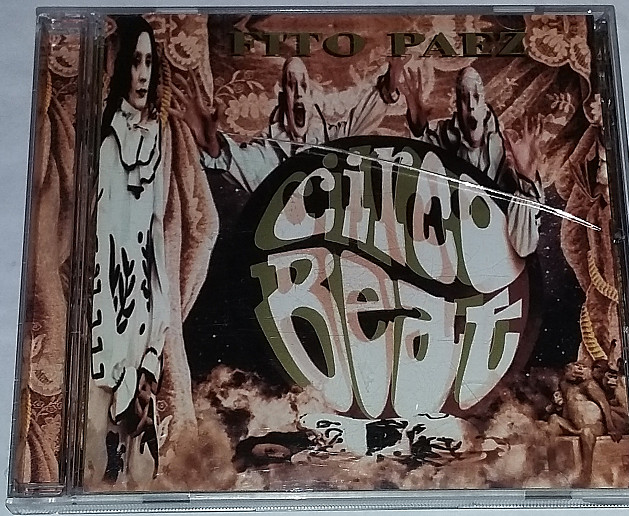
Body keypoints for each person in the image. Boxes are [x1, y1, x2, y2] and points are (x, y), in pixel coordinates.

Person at [87, 16, 169, 486]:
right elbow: (98, 245)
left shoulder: (157, 139)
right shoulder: (103, 141)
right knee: (96, 466)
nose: (143, 74)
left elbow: (155, 248)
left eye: (149, 63)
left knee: (141, 476)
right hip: (102, 323)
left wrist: (153, 350)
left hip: (139, 317)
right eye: (135, 62)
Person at [171, 56, 405, 192]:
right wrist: (213, 144)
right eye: (292, 86)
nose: (299, 94)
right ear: (284, 99)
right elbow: (240, 162)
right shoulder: (268, 152)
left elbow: (357, 122)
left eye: (303, 86)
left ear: (311, 98)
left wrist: (387, 91)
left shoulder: (329, 138)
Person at [402, 66, 544, 257]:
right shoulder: (446, 139)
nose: (470, 105)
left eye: (476, 96)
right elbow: (423, 155)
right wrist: (417, 124)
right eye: (464, 98)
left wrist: (528, 180)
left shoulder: (507, 156)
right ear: (457, 105)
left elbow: (524, 246)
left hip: (493, 258)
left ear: (484, 106)